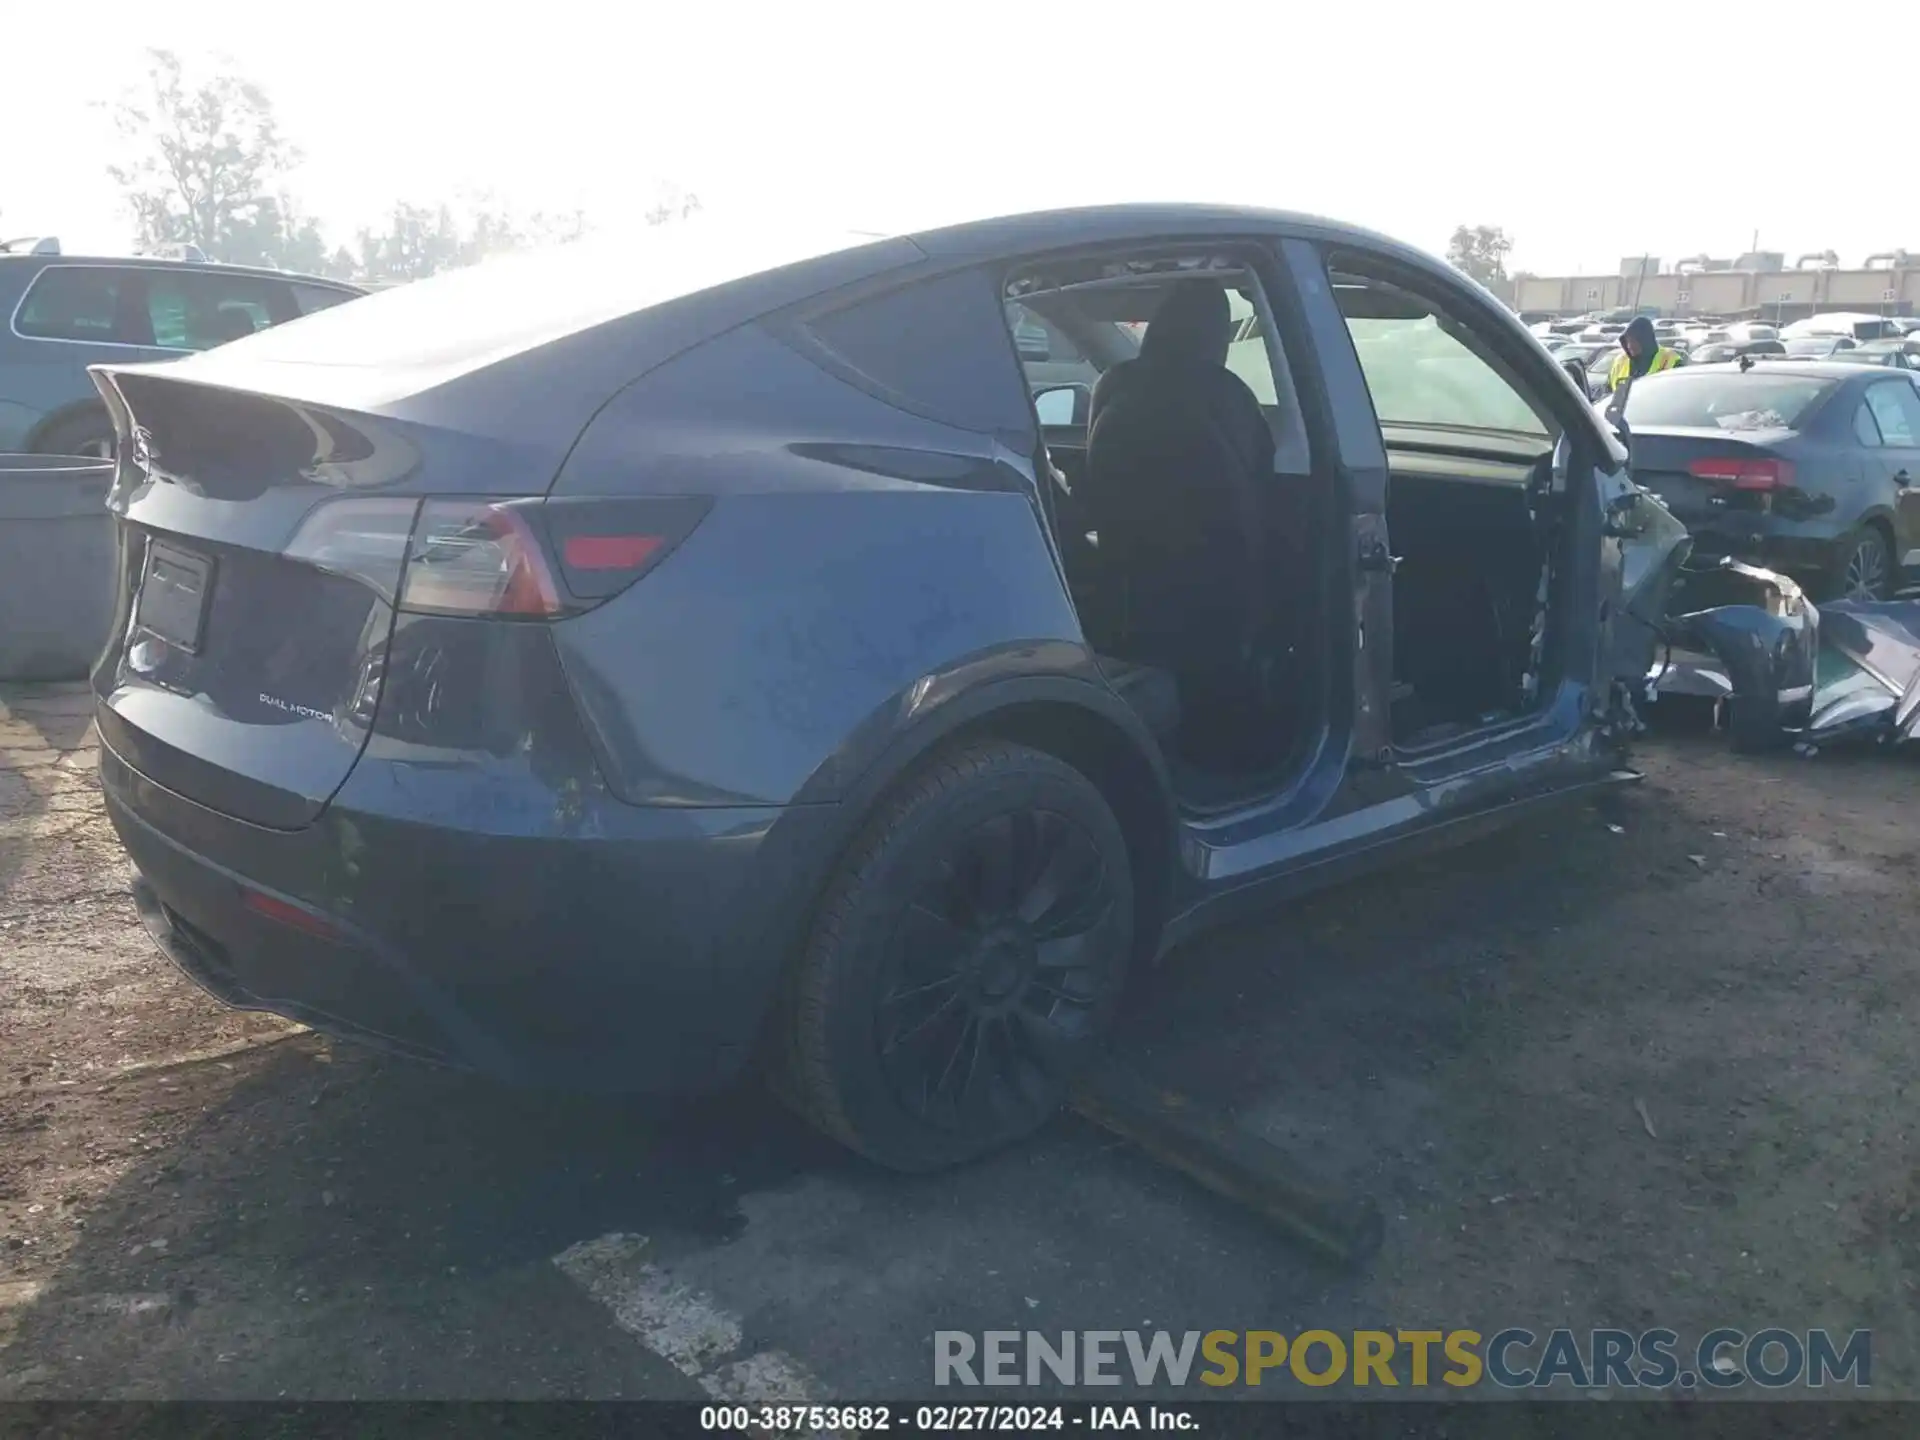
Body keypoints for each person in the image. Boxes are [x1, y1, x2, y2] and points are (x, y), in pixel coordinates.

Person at [1606, 315, 1683, 393]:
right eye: (1627, 341)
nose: (1629, 346)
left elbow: (1678, 393)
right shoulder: (1620, 361)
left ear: (1645, 340)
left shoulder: (1669, 359)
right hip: (1623, 405)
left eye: (1633, 341)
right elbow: (1607, 392)